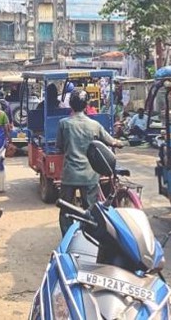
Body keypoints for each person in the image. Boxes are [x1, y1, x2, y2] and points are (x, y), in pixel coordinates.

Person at [56, 89, 124, 234]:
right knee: (91, 211)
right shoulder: (95, 125)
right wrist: (119, 142)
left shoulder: (63, 124)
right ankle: (89, 237)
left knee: (66, 210)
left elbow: (60, 147)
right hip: (90, 175)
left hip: (70, 175)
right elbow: (110, 141)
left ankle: (67, 238)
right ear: (86, 105)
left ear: (71, 106)